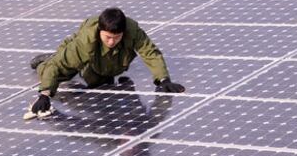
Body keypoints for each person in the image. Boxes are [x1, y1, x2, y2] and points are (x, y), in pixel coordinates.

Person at [27, 7, 185, 117]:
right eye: (107, 37)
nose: (111, 41)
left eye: (116, 37)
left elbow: (150, 52)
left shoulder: (133, 31)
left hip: (110, 62)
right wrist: (45, 94)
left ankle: (62, 59)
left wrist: (163, 79)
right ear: (100, 31)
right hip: (85, 55)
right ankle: (46, 60)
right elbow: (57, 67)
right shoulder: (85, 41)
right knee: (61, 72)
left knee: (101, 80)